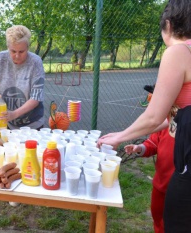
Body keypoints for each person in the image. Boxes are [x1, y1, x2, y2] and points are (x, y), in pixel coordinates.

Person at [98, 1, 191, 231]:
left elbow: (153, 116)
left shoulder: (178, 51)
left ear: (168, 25)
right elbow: (171, 118)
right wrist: (127, 136)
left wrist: (119, 137)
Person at [0, 25, 45, 130]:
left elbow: (36, 97)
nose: (17, 55)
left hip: (32, 126)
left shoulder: (35, 62)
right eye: (13, 51)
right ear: (8, 47)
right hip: (6, 123)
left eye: (21, 51)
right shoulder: (0, 59)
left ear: (28, 48)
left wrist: (14, 114)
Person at [124, 127, 174, 233]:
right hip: (161, 184)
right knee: (158, 219)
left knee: (174, 223)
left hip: (182, 189)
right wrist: (139, 148)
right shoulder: (168, 119)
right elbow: (153, 143)